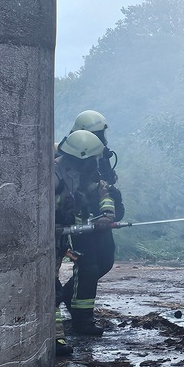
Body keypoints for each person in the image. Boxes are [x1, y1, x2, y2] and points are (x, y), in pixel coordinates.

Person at [55, 128, 123, 336]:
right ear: (81, 158)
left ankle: (69, 310)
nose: (96, 164)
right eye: (93, 160)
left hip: (72, 231)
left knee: (99, 264)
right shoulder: (54, 174)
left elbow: (102, 190)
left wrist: (107, 215)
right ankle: (61, 333)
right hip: (56, 235)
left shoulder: (84, 173)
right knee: (74, 273)